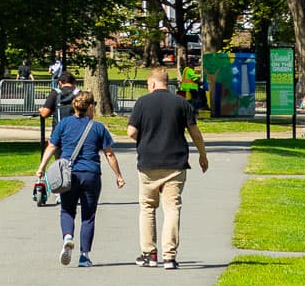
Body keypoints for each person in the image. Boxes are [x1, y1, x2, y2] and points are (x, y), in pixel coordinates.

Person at [127, 66, 209, 269]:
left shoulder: (142, 103)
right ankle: (170, 256)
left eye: (148, 84)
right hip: (175, 163)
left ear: (153, 83)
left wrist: (144, 137)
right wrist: (202, 155)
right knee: (172, 208)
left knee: (147, 207)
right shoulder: (181, 103)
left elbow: (130, 132)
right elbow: (195, 133)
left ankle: (149, 253)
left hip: (148, 163)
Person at [33, 91, 125, 266]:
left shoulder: (63, 124)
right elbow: (109, 154)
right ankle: (84, 256)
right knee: (88, 216)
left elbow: (52, 146)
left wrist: (41, 167)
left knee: (67, 210)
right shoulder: (98, 127)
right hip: (91, 174)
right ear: (90, 107)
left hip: (68, 174)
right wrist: (118, 176)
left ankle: (68, 236)